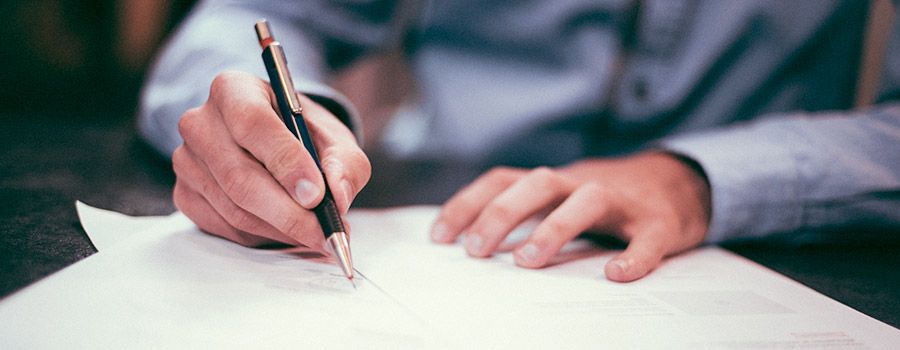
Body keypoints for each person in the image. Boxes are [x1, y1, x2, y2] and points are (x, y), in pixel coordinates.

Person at [138, 0, 900, 282]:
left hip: (766, 247)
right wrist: (266, 120)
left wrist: (695, 178)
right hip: (439, 217)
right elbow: (251, 16)